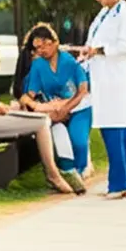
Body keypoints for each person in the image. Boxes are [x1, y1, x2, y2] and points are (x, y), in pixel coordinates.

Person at [0, 38, 74, 194]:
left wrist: (7, 107)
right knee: (42, 123)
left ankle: (55, 169)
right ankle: (53, 175)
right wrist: (1, 109)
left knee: (35, 115)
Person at [77, 0, 126, 199]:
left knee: (117, 130)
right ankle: (123, 183)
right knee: (114, 128)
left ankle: (119, 184)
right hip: (103, 78)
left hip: (117, 80)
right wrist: (88, 50)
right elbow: (93, 40)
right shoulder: (104, 13)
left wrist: (98, 51)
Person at [19, 23, 92, 194]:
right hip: (54, 112)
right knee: (61, 144)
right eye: (37, 48)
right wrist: (37, 105)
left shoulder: (70, 61)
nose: (41, 50)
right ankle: (70, 177)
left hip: (79, 108)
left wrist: (66, 108)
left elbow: (83, 91)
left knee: (79, 142)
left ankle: (80, 174)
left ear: (54, 42)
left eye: (44, 45)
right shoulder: (38, 66)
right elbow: (28, 94)